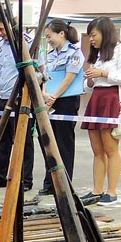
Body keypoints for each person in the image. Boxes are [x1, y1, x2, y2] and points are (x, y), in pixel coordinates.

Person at [81, 16, 121, 207]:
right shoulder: (98, 55)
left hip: (112, 99)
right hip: (97, 99)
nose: (91, 40)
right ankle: (97, 189)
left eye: (93, 35)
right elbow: (88, 87)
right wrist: (90, 79)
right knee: (97, 150)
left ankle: (111, 192)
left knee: (111, 149)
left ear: (105, 32)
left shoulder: (120, 49)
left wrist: (103, 73)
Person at [0, 12, 34, 191]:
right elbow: (2, 71)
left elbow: (37, 67)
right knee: (1, 139)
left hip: (21, 96)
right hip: (4, 96)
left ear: (10, 24)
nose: (0, 33)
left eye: (1, 29)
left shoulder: (25, 41)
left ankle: (25, 179)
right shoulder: (0, 45)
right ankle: (0, 176)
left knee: (23, 140)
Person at [40, 19, 86, 195]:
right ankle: (49, 182)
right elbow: (45, 76)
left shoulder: (75, 53)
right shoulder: (50, 54)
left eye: (50, 36)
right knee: (49, 141)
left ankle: (64, 183)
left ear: (61, 33)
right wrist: (45, 94)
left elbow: (69, 78)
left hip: (66, 101)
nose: (48, 40)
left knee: (63, 143)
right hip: (50, 100)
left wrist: (54, 97)